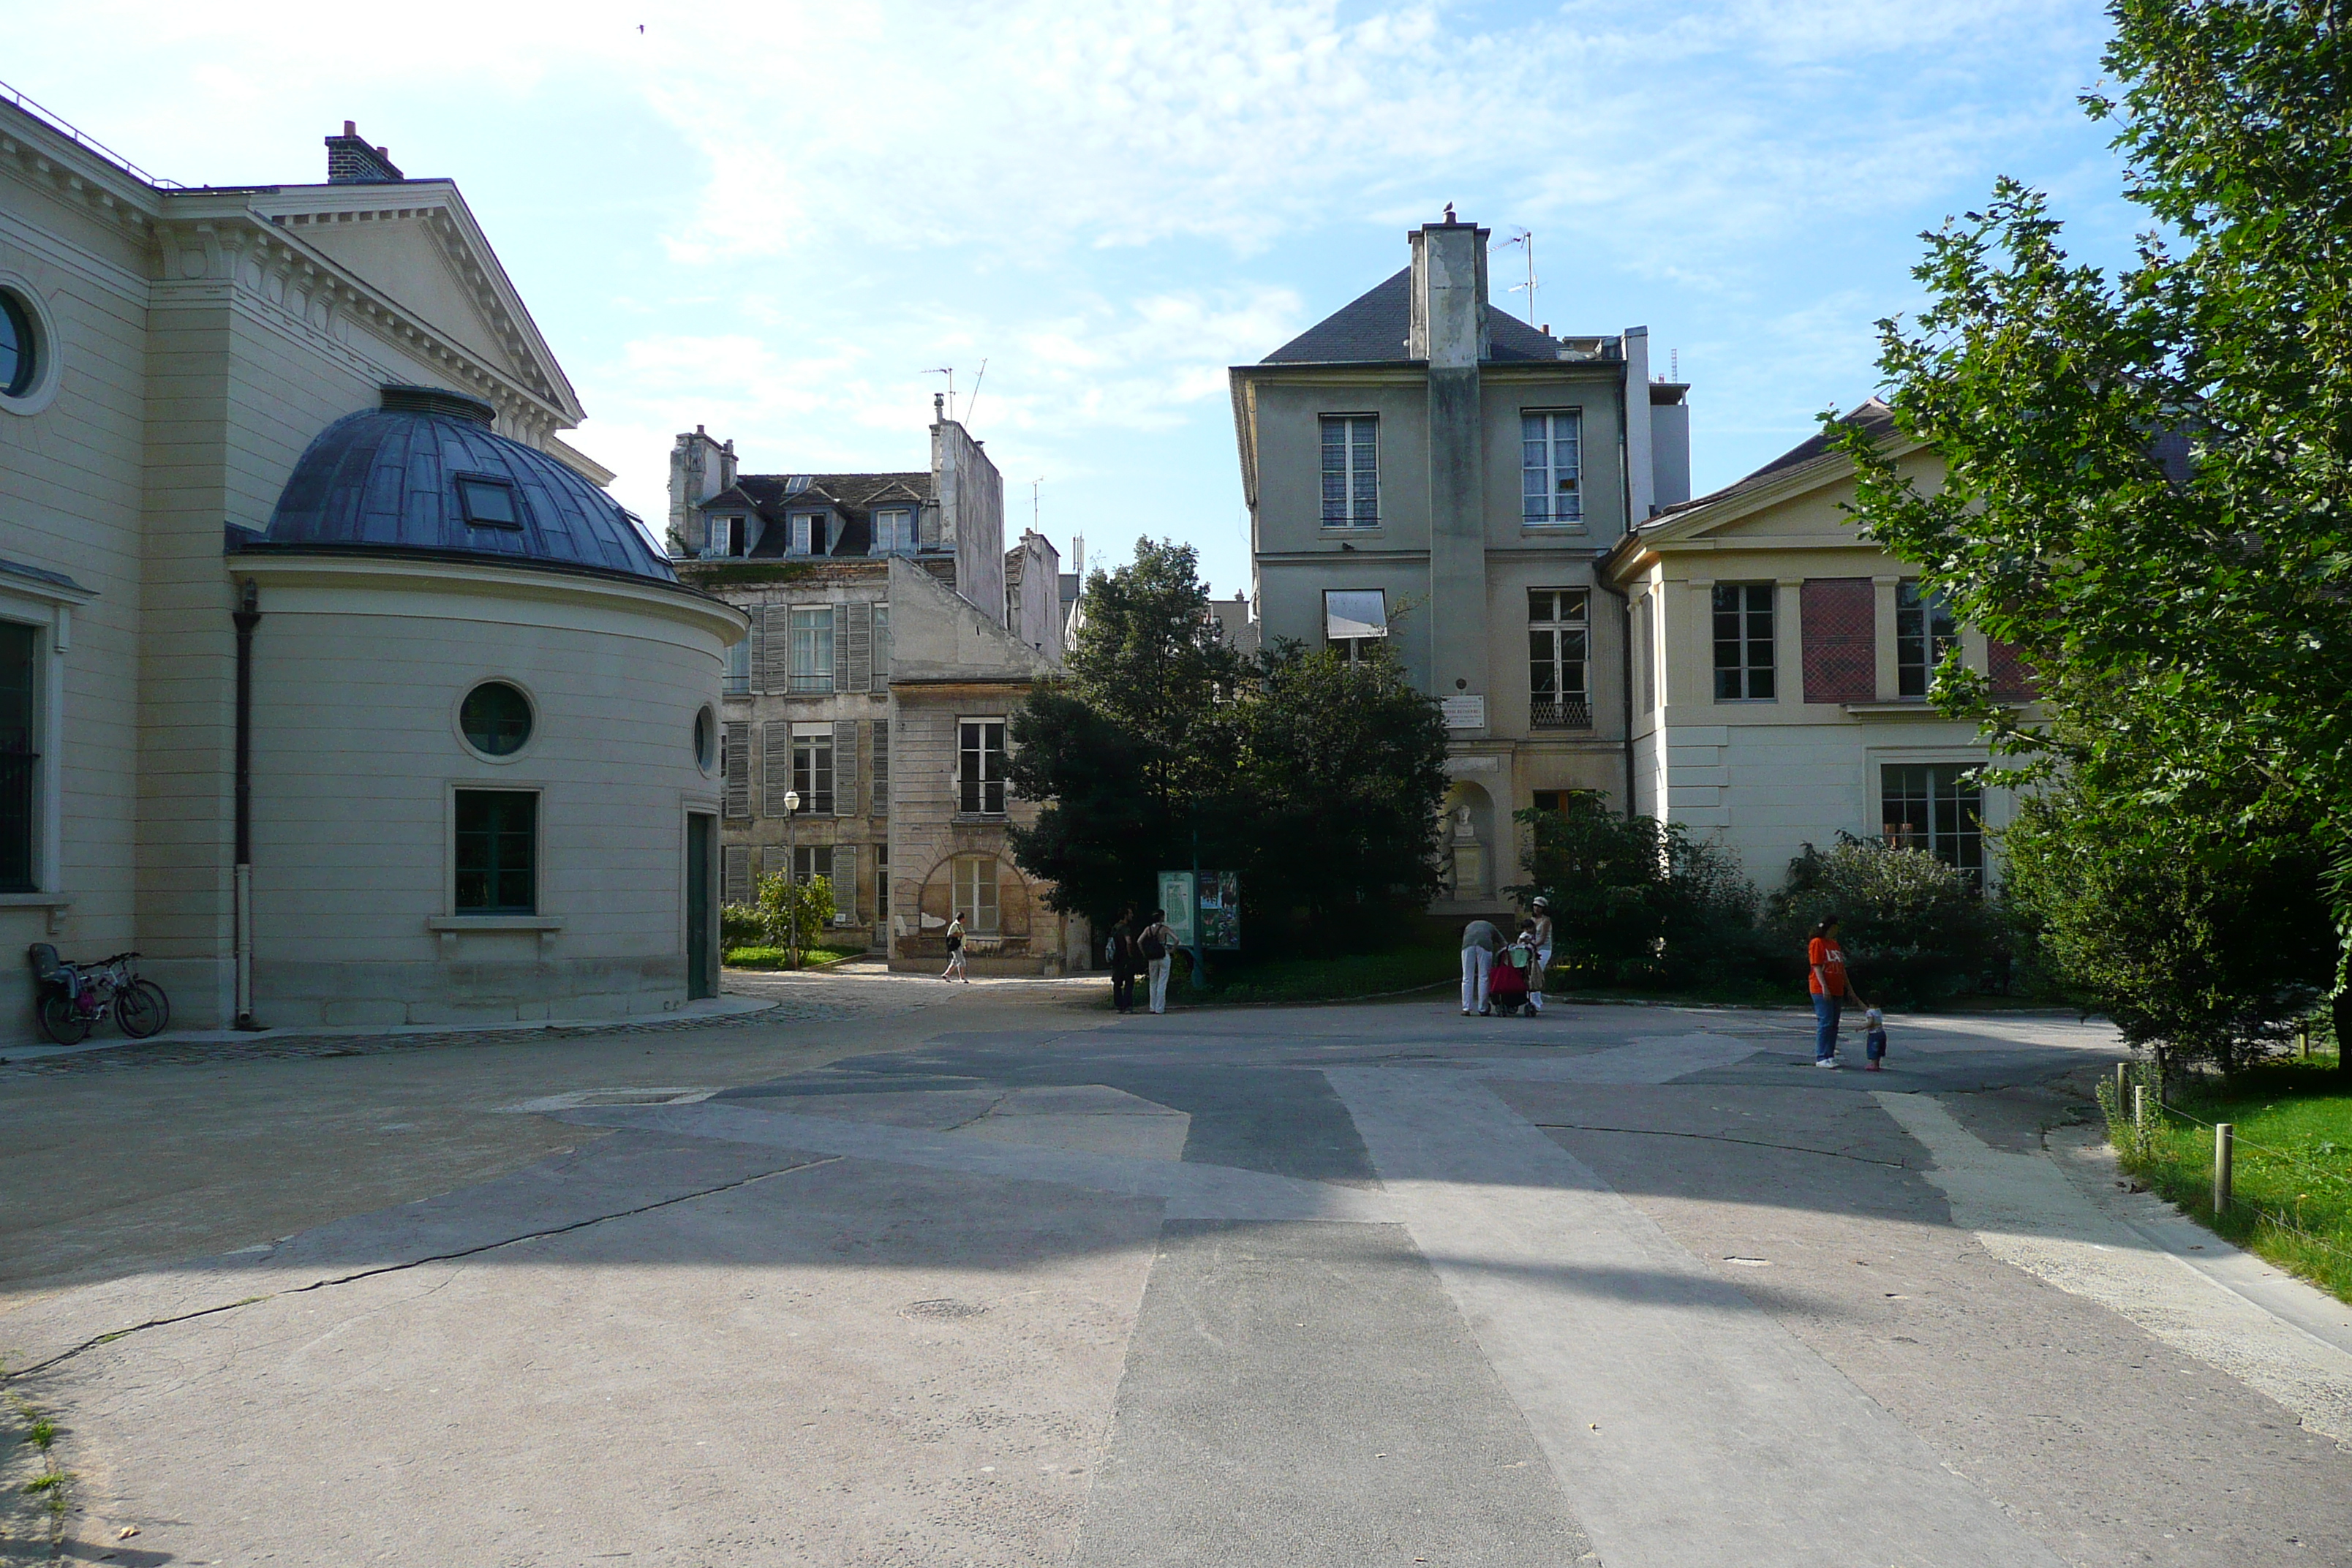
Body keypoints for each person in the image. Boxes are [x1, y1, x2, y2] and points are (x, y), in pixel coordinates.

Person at [1807, 916, 1848, 1066]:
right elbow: (1816, 966)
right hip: (1821, 988)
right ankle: (1821, 1056)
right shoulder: (1817, 943)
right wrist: (1824, 986)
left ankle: (1830, 1054)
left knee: (1834, 1024)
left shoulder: (1834, 944)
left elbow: (1841, 968)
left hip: (1837, 988)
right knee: (1826, 1021)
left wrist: (1849, 988)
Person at [1460, 916, 1503, 1016]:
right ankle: (1483, 1008)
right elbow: (1502, 942)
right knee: (1484, 976)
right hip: (1485, 946)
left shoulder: (1469, 926)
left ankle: (1466, 1008)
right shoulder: (1491, 927)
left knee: (1467, 977)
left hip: (1467, 945)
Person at [1139, 908, 1175, 1014]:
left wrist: (1144, 953)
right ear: (1161, 917)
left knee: (1153, 982)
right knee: (1162, 982)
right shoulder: (1164, 929)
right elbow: (1176, 939)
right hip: (1163, 955)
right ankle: (1160, 1008)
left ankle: (1152, 1007)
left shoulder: (1148, 929)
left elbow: (1139, 941)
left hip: (1152, 957)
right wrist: (1172, 950)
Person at [1106, 906, 1138, 1014]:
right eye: (1130, 914)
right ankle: (1128, 1006)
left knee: (1117, 982)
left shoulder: (1115, 927)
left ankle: (1119, 1006)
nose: (1132, 916)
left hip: (1116, 958)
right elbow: (1128, 941)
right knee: (1129, 982)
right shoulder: (1125, 928)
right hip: (1125, 958)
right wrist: (1130, 954)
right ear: (1126, 916)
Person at [1527, 897, 1555, 1014]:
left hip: (1543, 950)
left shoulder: (1546, 921)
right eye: (1535, 905)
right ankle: (1532, 1001)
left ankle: (1536, 1003)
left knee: (1536, 974)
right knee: (1529, 974)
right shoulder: (1531, 920)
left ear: (1543, 908)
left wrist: (1532, 945)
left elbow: (1543, 939)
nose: (1536, 908)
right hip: (1532, 949)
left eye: (1539, 906)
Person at [942, 911, 969, 983]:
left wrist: (964, 946)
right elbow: (949, 935)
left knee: (955, 961)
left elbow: (963, 937)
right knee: (961, 961)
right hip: (955, 947)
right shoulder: (955, 925)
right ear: (961, 919)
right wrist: (959, 934)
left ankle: (946, 974)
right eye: (964, 918)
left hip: (960, 946)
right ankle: (962, 978)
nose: (965, 920)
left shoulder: (960, 926)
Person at [1862, 1003, 1888, 1071]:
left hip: (1874, 1034)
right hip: (1881, 1033)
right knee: (1879, 1049)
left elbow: (1870, 1022)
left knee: (1873, 1049)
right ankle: (1877, 1064)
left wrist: (1862, 1027)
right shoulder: (1878, 1010)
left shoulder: (1870, 1012)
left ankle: (1874, 1065)